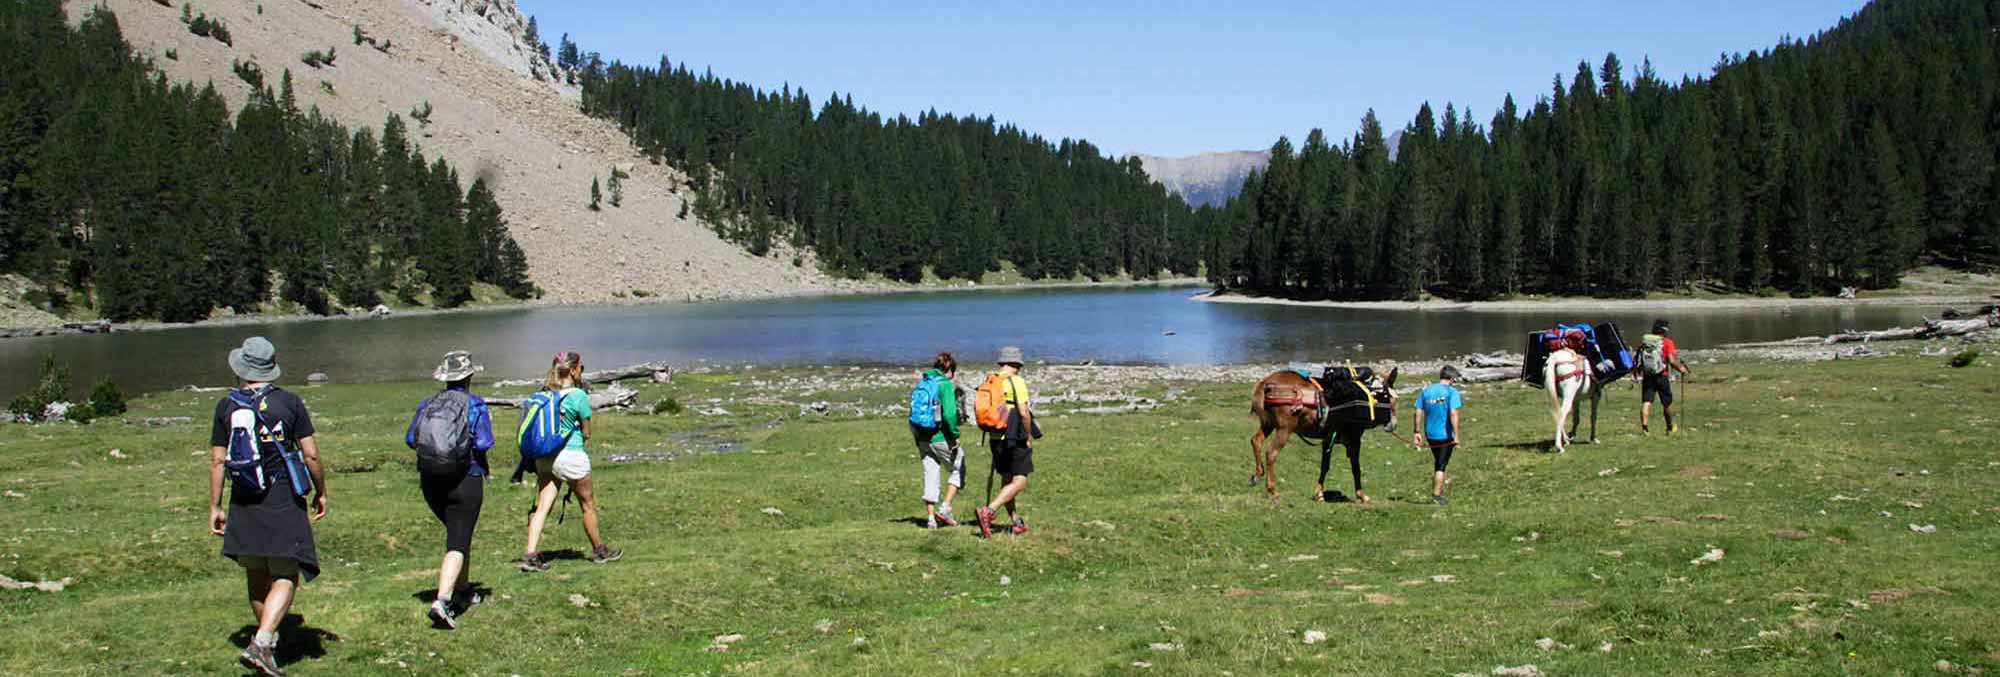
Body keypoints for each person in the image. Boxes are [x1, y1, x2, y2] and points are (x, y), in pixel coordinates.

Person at [206, 337, 328, 677]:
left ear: (242, 369)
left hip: (244, 496)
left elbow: (217, 461)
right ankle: (263, 643)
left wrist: (215, 506)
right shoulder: (288, 403)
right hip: (282, 495)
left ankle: (267, 643)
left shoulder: (225, 407)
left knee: (256, 572)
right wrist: (321, 491)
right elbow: (311, 454)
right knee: (287, 572)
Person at [404, 351, 494, 629]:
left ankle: (464, 589)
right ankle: (442, 601)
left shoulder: (427, 403)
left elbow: (410, 439)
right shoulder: (475, 404)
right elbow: (484, 443)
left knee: (459, 533)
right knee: (457, 541)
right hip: (465, 478)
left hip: (431, 481)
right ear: (469, 376)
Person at [520, 351, 622, 572]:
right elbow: (587, 432)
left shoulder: (546, 393)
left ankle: (530, 554)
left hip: (545, 458)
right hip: (571, 456)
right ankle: (600, 550)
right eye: (581, 368)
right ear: (574, 370)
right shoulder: (577, 395)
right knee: (587, 505)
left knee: (543, 507)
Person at [977, 346, 1039, 538]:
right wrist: (1028, 435)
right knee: (1020, 481)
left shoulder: (991, 380)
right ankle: (989, 511)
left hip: (995, 437)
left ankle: (1016, 521)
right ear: (1016, 364)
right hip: (1014, 437)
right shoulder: (1016, 382)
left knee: (1007, 479)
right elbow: (1023, 412)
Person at [912, 353, 965, 529]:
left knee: (930, 473)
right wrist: (955, 434)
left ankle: (930, 519)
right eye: (953, 372)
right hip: (940, 437)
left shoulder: (924, 382)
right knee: (958, 468)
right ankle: (945, 508)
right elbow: (950, 414)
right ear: (949, 370)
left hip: (922, 436)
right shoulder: (945, 385)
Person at [1410, 366, 1464, 505]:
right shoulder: (1451, 392)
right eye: (1455, 380)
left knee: (1438, 462)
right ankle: (1436, 496)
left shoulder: (1427, 390)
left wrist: (1416, 431)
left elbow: (1418, 410)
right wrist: (1456, 436)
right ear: (1451, 378)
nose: (1455, 382)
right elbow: (1453, 413)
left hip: (1430, 434)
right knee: (1441, 465)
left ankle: (1439, 490)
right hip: (1445, 436)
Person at [1638, 319, 1692, 434]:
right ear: (1664, 330)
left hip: (1648, 375)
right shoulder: (1667, 342)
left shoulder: (1645, 342)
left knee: (1647, 401)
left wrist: (1636, 371)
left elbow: (1638, 358)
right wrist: (1681, 369)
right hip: (1662, 375)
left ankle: (1645, 428)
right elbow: (1671, 361)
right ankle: (1669, 427)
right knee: (1667, 403)